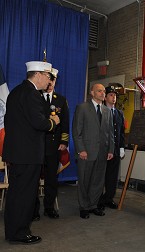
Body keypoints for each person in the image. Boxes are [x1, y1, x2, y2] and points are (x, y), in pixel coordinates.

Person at [3, 61, 60, 244]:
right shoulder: (32, 94)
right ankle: (21, 232)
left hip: (17, 153)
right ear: (38, 75)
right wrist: (54, 122)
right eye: (48, 76)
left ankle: (12, 231)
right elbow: (39, 123)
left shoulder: (16, 92)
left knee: (15, 194)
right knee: (25, 195)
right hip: (28, 154)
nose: (49, 81)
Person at [72, 83, 114, 219]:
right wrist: (81, 150)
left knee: (98, 181)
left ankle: (93, 205)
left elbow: (110, 133)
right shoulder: (82, 108)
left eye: (103, 91)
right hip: (86, 152)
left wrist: (111, 150)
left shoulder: (107, 111)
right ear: (92, 92)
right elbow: (76, 132)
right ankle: (84, 207)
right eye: (99, 91)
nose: (102, 93)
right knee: (84, 180)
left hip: (102, 153)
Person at [33, 67, 69, 220]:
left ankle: (49, 208)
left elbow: (65, 122)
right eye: (49, 79)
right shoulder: (34, 96)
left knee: (51, 179)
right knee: (33, 179)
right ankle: (33, 210)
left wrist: (64, 141)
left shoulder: (60, 99)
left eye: (53, 80)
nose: (50, 83)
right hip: (37, 145)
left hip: (54, 146)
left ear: (55, 81)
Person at [98, 86, 125, 210]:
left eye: (115, 95)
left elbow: (121, 132)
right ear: (105, 97)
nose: (113, 98)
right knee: (101, 175)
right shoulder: (101, 111)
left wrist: (121, 147)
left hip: (115, 150)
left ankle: (108, 198)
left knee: (112, 177)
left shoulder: (119, 113)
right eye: (111, 95)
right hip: (103, 149)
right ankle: (98, 199)